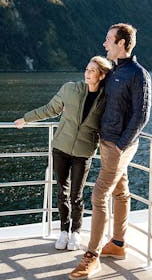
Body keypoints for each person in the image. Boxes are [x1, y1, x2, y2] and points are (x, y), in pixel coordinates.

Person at [69, 23, 152, 280]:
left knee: (99, 194)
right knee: (120, 191)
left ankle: (92, 256)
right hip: (106, 142)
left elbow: (142, 114)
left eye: (108, 40)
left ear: (122, 43)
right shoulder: (114, 71)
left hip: (119, 145)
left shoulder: (138, 74)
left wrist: (121, 145)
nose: (104, 44)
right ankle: (117, 244)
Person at [14, 56, 112, 251]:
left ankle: (76, 232)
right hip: (61, 148)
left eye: (92, 70)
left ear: (102, 75)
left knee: (76, 195)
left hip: (83, 152)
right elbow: (50, 109)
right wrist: (26, 119)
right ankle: (64, 231)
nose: (87, 73)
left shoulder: (106, 98)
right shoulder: (70, 89)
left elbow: (109, 124)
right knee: (62, 193)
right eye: (87, 69)